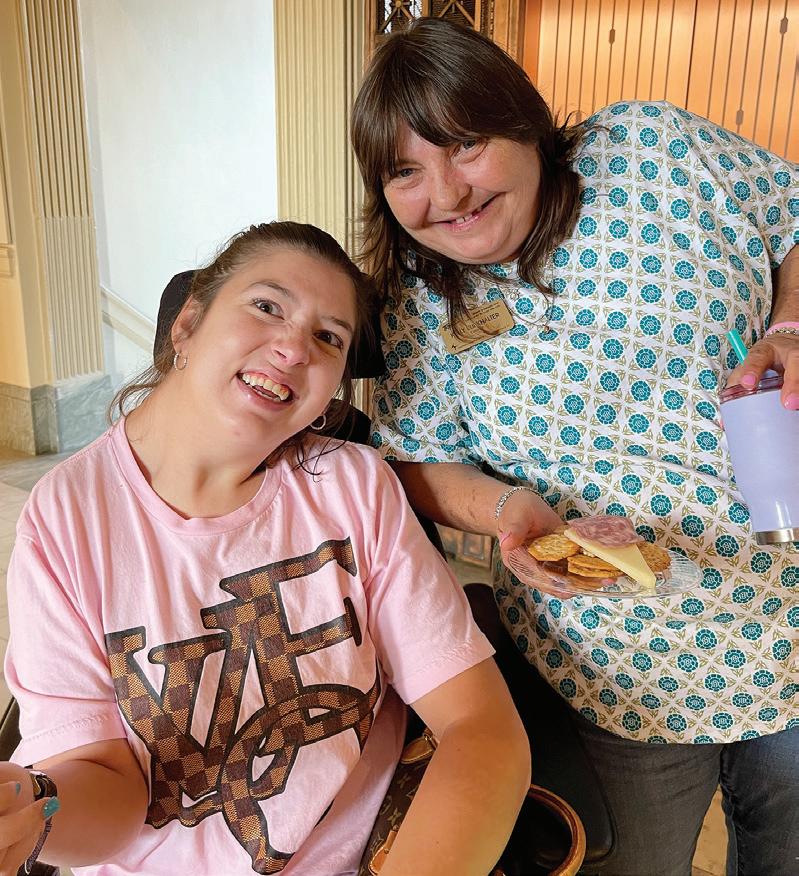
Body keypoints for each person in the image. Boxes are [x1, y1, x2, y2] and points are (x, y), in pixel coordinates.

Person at [351, 17, 799, 876]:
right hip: (613, 667)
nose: (445, 192)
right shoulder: (418, 294)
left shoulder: (652, 149)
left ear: (525, 123)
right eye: (404, 170)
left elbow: (792, 215)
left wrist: (789, 327)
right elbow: (414, 457)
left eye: (465, 143)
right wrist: (509, 510)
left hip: (787, 616)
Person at [0, 221, 530, 876]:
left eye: (328, 337)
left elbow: (479, 727)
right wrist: (35, 813)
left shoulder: (354, 487)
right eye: (267, 306)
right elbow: (104, 790)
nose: (294, 347)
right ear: (187, 325)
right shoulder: (66, 518)